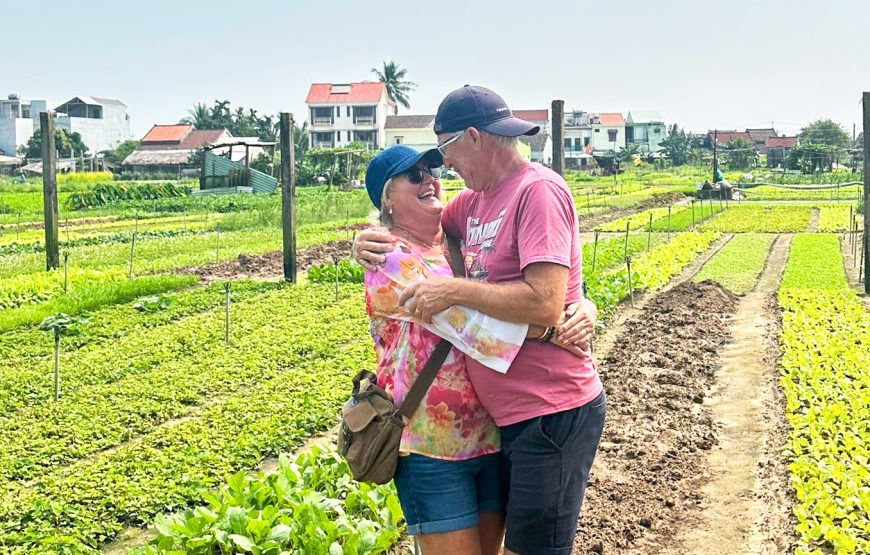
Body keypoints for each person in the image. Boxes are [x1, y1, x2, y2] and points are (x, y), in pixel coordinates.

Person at [354, 86, 605, 555]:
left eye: (436, 162)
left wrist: (580, 306)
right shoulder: (405, 248)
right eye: (414, 174)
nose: (435, 175)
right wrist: (363, 238)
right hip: (439, 440)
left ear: (472, 138)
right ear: (387, 199)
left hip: (511, 424)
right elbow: (471, 324)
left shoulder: (500, 205)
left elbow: (544, 285)